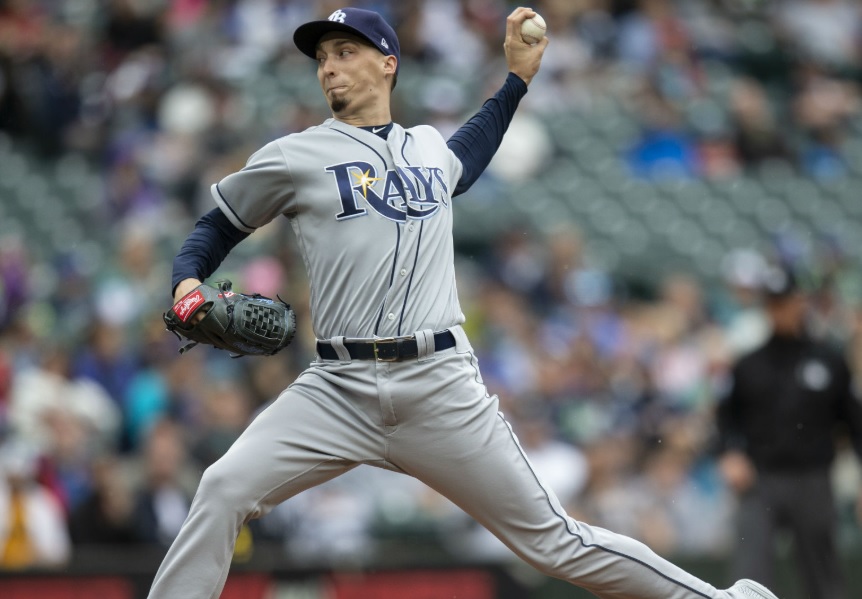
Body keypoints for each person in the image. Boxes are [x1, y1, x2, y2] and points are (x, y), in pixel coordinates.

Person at [147, 7, 779, 599]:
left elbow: (468, 152)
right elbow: (214, 229)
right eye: (322, 58)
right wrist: (186, 282)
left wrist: (516, 82)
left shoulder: (426, 146)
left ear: (387, 62)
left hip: (438, 383)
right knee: (222, 488)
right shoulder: (295, 155)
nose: (329, 67)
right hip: (336, 387)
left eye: (344, 51)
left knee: (553, 540)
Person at [717, 265, 862, 599]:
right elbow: (727, 417)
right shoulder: (749, 364)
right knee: (750, 573)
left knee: (822, 573)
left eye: (786, 301)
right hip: (760, 478)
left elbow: (855, 422)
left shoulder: (828, 361)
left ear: (801, 302)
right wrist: (730, 452)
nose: (780, 309)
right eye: (773, 302)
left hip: (813, 478)